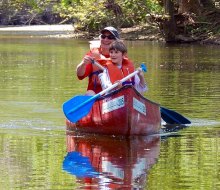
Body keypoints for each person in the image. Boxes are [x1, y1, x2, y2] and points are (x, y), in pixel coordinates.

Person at [76, 26, 121, 95]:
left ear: (116, 41)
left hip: (115, 96)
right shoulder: (92, 55)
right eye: (103, 36)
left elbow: (129, 83)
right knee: (89, 93)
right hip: (96, 97)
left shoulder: (121, 57)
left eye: (110, 37)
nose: (105, 39)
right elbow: (80, 75)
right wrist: (83, 64)